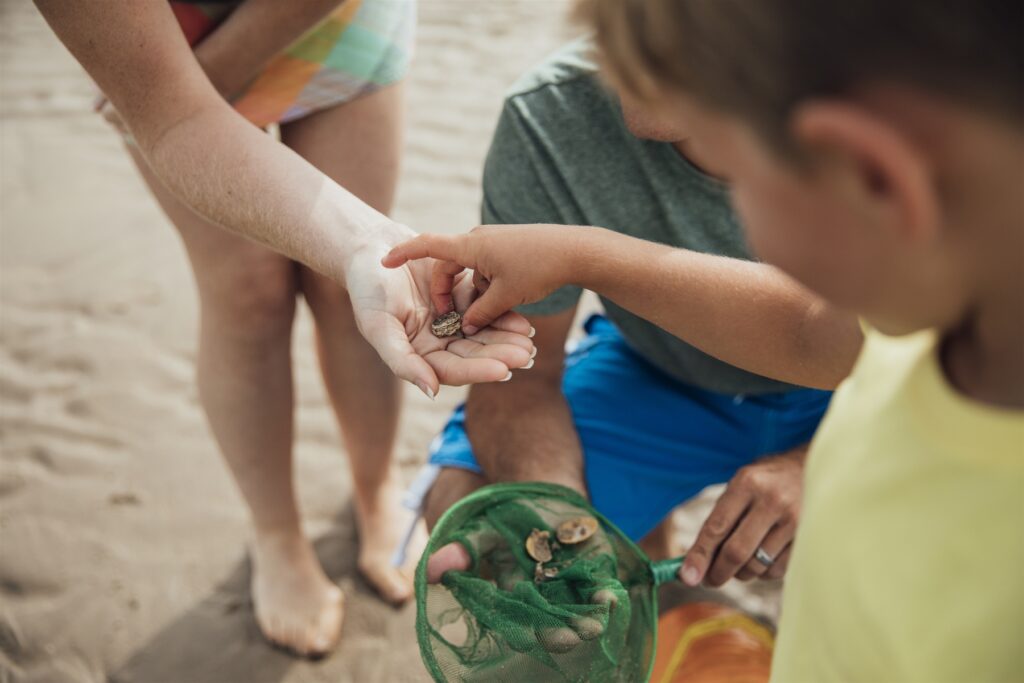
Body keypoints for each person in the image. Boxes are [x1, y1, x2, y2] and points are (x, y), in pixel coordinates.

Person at [394, 0, 1024, 678]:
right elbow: (819, 330)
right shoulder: (950, 311)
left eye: (739, 178)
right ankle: (672, 613)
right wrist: (566, 536)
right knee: (484, 507)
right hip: (670, 378)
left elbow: (813, 331)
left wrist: (819, 456)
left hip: (843, 410)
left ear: (877, 174)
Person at [32, 0, 535, 657]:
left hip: (335, 18)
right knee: (246, 294)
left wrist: (365, 245)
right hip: (165, 55)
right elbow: (177, 114)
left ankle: (377, 489)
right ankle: (276, 534)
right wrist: (186, 85)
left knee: (359, 286)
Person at [386, 40, 852, 589]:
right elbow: (524, 380)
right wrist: (559, 516)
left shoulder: (901, 111)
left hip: (874, 396)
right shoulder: (551, 112)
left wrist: (822, 463)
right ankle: (644, 567)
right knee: (478, 517)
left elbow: (936, 364)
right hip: (660, 368)